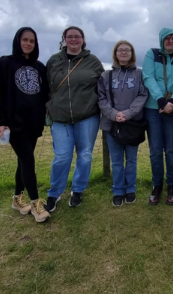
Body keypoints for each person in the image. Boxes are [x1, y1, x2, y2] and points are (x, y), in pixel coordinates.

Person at [0, 27, 50, 223]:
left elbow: (45, 93)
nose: (28, 43)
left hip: (33, 123)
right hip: (14, 123)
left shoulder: (39, 67)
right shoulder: (6, 63)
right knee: (28, 161)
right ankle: (36, 204)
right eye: (25, 40)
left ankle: (17, 199)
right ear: (18, 41)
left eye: (32, 40)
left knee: (23, 161)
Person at [45, 26, 105, 211]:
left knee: (85, 155)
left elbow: (103, 87)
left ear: (83, 39)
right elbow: (45, 87)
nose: (73, 40)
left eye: (76, 36)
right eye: (69, 37)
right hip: (60, 117)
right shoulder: (54, 61)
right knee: (62, 157)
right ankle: (54, 193)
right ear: (64, 39)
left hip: (87, 116)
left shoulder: (93, 61)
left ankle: (78, 190)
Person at [142, 28, 173, 205]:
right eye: (168, 38)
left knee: (171, 150)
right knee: (155, 151)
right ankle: (157, 184)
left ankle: (171, 184)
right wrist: (161, 101)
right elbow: (148, 77)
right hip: (153, 109)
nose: (171, 41)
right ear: (162, 39)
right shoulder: (151, 54)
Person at [98, 40, 149, 206]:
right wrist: (114, 114)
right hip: (112, 124)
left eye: (127, 50)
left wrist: (128, 113)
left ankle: (130, 189)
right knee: (117, 160)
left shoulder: (139, 74)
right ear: (115, 53)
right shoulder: (106, 75)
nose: (124, 52)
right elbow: (101, 98)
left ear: (132, 53)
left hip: (132, 124)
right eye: (120, 50)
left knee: (132, 160)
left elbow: (143, 94)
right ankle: (118, 190)